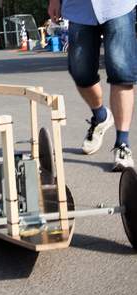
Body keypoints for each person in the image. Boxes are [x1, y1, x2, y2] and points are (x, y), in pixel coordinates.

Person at [48, 0, 136, 171]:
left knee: (121, 71)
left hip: (118, 5)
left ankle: (122, 143)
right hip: (79, 7)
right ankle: (101, 115)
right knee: (81, 72)